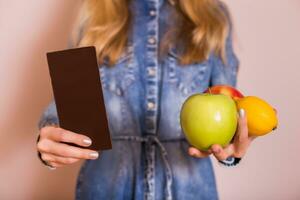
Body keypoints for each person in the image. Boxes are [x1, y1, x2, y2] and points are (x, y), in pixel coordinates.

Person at [36, 0, 256, 199]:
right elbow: (68, 110)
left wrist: (230, 150)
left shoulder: (213, 16)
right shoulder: (92, 16)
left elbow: (229, 111)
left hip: (191, 191)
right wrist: (51, 139)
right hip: (105, 189)